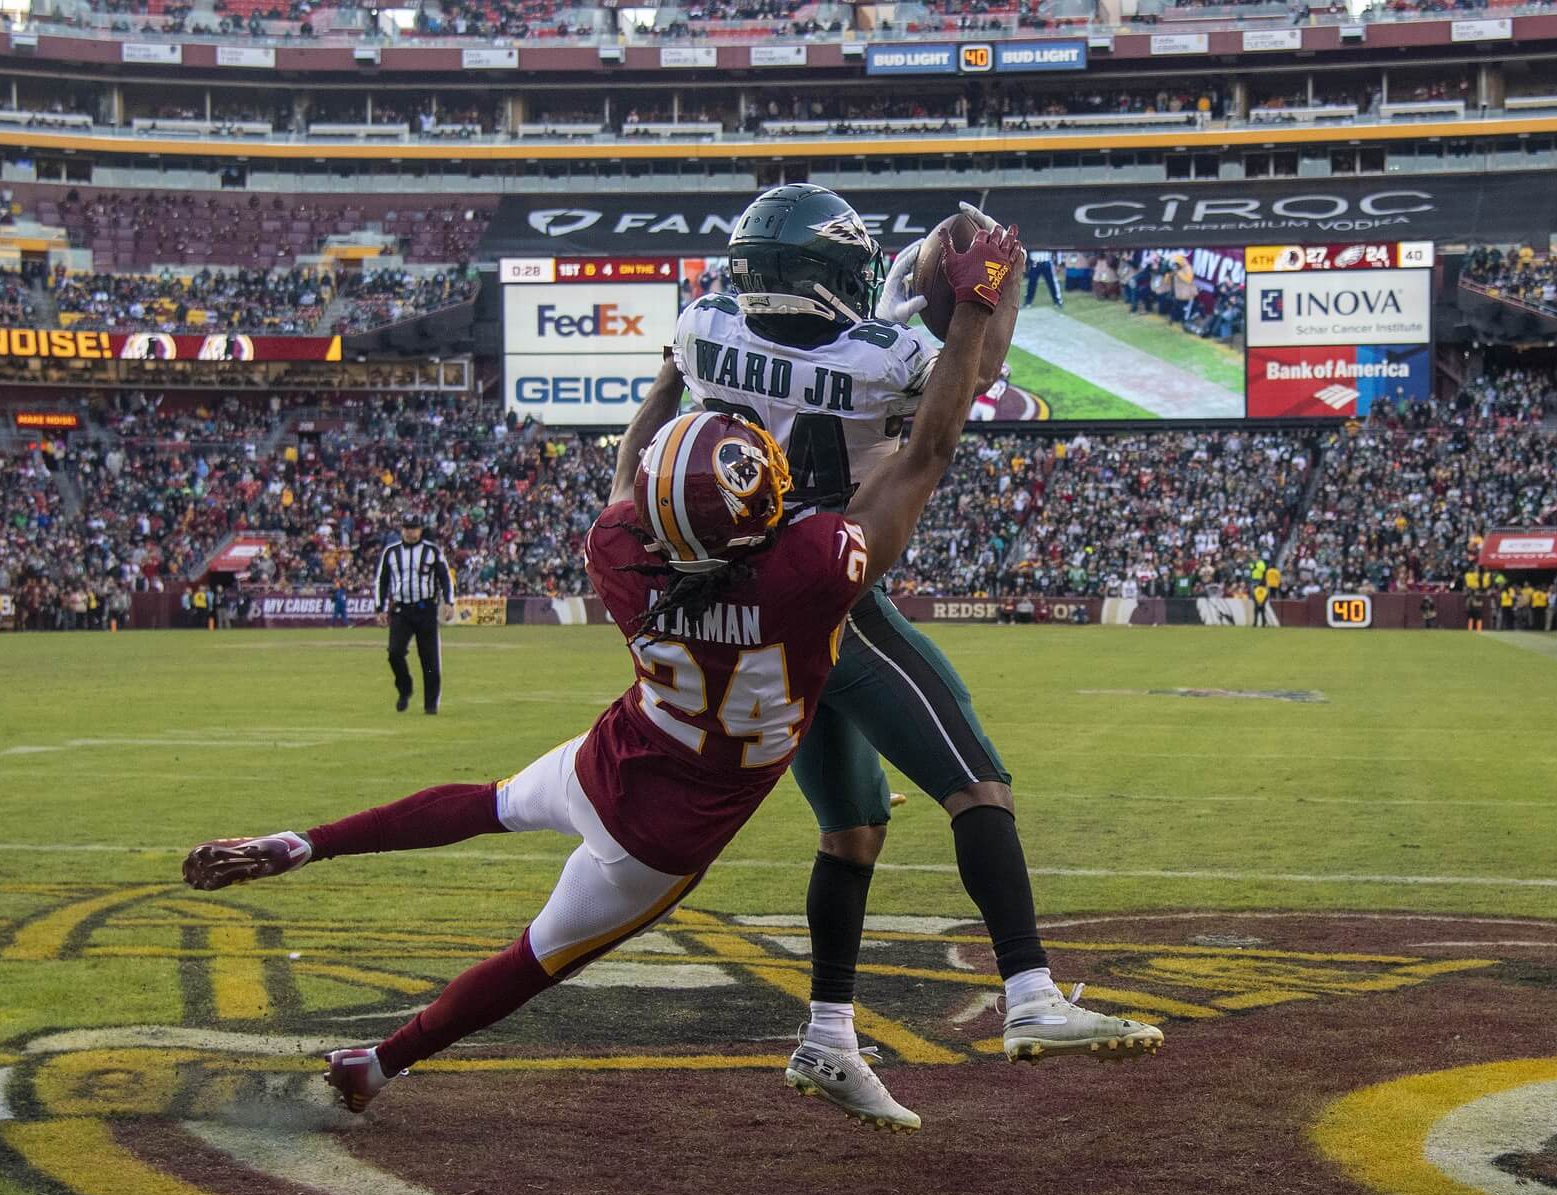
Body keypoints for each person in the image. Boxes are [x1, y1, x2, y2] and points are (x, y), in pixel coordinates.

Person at [183, 227, 1153, 1127]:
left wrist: (670, 374)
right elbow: (926, 453)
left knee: (497, 805)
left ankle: (301, 850)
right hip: (656, 836)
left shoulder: (625, 554)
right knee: (533, 956)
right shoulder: (806, 574)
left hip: (619, 755)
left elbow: (622, 481)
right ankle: (380, 1057)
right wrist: (975, 310)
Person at [671, 187, 1155, 1130]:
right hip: (836, 593)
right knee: (977, 785)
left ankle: (828, 1032)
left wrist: (901, 287)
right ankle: (1028, 990)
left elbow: (784, 350)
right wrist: (991, 287)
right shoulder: (888, 360)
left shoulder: (698, 331)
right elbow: (974, 378)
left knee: (851, 832)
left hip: (751, 608)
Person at [376, 513, 454, 714]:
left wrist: (449, 603)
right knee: (394, 652)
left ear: (421, 530)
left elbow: (445, 577)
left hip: (426, 609)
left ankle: (430, 705)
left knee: (429, 659)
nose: (410, 532)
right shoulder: (391, 552)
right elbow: (382, 581)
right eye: (407, 528)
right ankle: (405, 688)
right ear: (402, 529)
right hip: (402, 610)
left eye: (414, 528)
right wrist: (380, 608)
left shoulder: (431, 551)